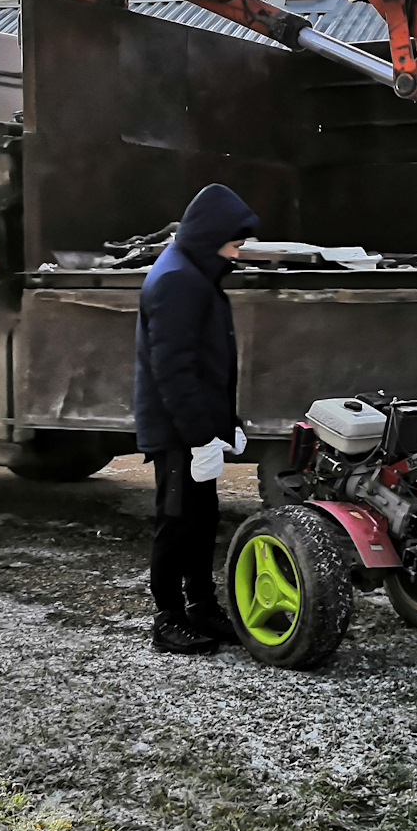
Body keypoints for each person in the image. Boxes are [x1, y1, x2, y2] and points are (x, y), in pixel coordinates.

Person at [134, 183, 260, 654]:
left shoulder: (194, 272)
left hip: (195, 425)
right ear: (212, 236)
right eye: (235, 242)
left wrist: (226, 423)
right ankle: (168, 616)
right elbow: (174, 370)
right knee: (176, 521)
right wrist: (199, 436)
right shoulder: (177, 280)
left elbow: (206, 363)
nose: (239, 252)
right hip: (177, 430)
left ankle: (201, 605)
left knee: (202, 518)